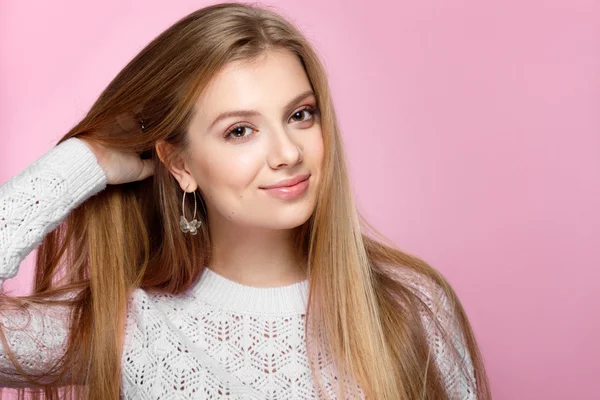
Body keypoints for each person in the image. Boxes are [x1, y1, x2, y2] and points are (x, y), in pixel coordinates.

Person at [0, 2, 491, 399]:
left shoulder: (411, 305)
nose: (287, 152)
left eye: (301, 114)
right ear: (181, 165)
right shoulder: (127, 324)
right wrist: (82, 162)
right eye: (240, 130)